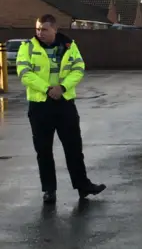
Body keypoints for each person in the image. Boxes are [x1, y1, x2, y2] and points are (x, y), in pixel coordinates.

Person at [16, 14, 106, 204]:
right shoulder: (28, 47)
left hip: (64, 103)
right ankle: (49, 190)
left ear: (55, 29)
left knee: (73, 147)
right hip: (40, 105)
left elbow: (78, 68)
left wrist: (62, 88)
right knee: (43, 150)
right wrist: (48, 89)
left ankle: (83, 186)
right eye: (38, 29)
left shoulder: (68, 46)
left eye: (45, 29)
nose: (40, 33)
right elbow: (24, 73)